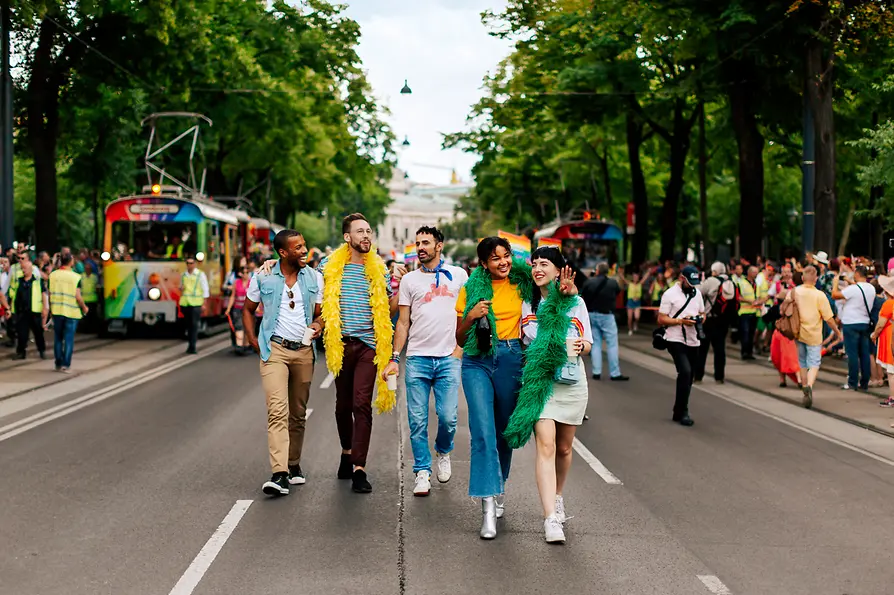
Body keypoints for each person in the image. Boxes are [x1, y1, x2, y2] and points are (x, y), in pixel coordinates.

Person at [455, 237, 576, 540]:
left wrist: (566, 292)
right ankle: (486, 508)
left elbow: (550, 296)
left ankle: (498, 489)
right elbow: (459, 338)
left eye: (506, 256)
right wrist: (471, 316)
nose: (503, 262)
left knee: (505, 433)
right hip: (477, 361)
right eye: (495, 258)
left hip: (512, 359)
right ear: (484, 263)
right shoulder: (471, 289)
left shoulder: (523, 283)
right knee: (482, 433)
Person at [504, 247, 591, 544]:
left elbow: (588, 342)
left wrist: (581, 345)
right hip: (540, 383)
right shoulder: (526, 303)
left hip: (571, 382)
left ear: (558, 270)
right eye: (535, 264)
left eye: (545, 264)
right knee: (546, 445)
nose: (538, 268)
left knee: (565, 450)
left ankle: (558, 495)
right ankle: (550, 517)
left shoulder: (575, 302)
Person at [318, 213, 403, 494]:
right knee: (342, 406)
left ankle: (359, 468)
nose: (366, 236)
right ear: (347, 237)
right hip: (340, 345)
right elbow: (306, 281)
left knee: (361, 403)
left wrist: (397, 291)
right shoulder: (328, 266)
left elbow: (388, 312)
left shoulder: (379, 269)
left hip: (368, 345)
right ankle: (346, 450)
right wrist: (269, 267)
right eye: (360, 232)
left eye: (369, 231)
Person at [382, 226, 468, 497]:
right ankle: (422, 471)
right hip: (418, 358)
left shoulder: (459, 275)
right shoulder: (410, 281)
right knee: (417, 420)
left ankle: (443, 451)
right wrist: (395, 357)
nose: (420, 247)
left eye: (426, 242)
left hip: (448, 359)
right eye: (417, 242)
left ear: (439, 246)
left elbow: (467, 314)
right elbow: (403, 322)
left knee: (448, 417)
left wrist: (460, 349)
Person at [244, 230, 323, 497]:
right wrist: (254, 341)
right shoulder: (263, 276)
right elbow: (247, 308)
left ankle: (293, 464)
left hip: (303, 352)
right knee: (277, 411)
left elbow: (320, 315)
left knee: (297, 414)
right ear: (283, 252)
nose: (304, 251)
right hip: (274, 350)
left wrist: (317, 325)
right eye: (298, 247)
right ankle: (279, 474)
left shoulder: (314, 277)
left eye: (304, 246)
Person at [657, 266, 705, 426]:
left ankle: (679, 409)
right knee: (685, 371)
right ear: (682, 279)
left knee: (689, 376)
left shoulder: (697, 294)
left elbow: (703, 313)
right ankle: (683, 411)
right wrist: (681, 321)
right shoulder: (669, 295)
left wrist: (698, 319)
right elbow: (661, 319)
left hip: (693, 338)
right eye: (690, 283)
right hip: (674, 338)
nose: (692, 286)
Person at [787, 266, 842, 408]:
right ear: (816, 279)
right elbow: (829, 318)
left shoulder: (795, 291)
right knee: (814, 362)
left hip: (798, 332)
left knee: (802, 362)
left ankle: (803, 384)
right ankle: (809, 386)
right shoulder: (820, 295)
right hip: (814, 334)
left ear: (803, 277)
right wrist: (837, 332)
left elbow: (785, 307)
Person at [581, 263, 629, 382]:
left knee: (596, 342)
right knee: (612, 344)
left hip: (592, 314)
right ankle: (615, 373)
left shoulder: (589, 282)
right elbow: (617, 292)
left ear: (597, 271)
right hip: (607, 315)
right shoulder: (613, 283)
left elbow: (584, 295)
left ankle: (596, 371)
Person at [831, 264, 875, 391]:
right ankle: (865, 382)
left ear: (857, 274)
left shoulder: (853, 289)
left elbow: (835, 295)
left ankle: (852, 382)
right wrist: (849, 281)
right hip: (865, 323)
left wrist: (835, 283)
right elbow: (858, 289)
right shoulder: (871, 288)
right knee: (864, 353)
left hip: (851, 323)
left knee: (852, 354)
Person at [694, 262, 737, 384]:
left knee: (702, 348)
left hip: (709, 319)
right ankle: (719, 376)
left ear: (714, 271)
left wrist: (700, 281)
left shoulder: (711, 281)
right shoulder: (731, 282)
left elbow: (697, 292)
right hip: (723, 320)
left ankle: (698, 375)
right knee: (719, 349)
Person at [48, 253, 89, 373]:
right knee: (69, 339)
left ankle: (58, 363)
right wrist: (84, 307)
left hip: (57, 311)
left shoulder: (53, 275)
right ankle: (66, 364)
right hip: (71, 312)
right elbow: (78, 296)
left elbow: (50, 294)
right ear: (71, 262)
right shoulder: (76, 277)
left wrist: (50, 310)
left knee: (58, 338)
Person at [3, 257, 48, 360]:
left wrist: (45, 308)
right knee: (22, 333)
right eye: (22, 269)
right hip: (21, 312)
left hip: (35, 311)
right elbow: (13, 294)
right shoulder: (18, 281)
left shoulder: (37, 281)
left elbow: (43, 294)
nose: (23, 270)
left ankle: (42, 350)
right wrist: (9, 308)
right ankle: (21, 352)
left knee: (38, 333)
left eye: (25, 269)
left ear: (31, 269)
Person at [871, 275, 894, 407]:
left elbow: (881, 324)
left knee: (891, 371)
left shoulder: (888, 304)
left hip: (890, 339)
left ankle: (892, 397)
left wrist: (874, 335)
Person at [179, 257, 209, 354]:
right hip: (185, 303)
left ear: (194, 264)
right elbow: (181, 287)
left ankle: (193, 346)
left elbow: (205, 289)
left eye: (191, 263)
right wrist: (181, 288)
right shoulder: (183, 275)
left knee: (194, 325)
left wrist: (204, 303)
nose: (189, 265)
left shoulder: (200, 274)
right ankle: (190, 345)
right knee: (188, 325)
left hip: (196, 303)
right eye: (188, 263)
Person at [736, 266, 766, 360]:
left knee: (751, 333)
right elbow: (738, 297)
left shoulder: (756, 284)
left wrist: (760, 301)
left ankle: (749, 352)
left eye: (757, 272)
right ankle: (744, 352)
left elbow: (761, 296)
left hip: (754, 312)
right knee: (745, 332)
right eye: (754, 272)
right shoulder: (741, 283)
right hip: (744, 312)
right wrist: (749, 301)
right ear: (749, 273)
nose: (756, 274)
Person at [225, 267, 251, 355]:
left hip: (249, 309)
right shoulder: (236, 283)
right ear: (240, 274)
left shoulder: (252, 283)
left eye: (247, 272)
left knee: (248, 328)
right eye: (243, 273)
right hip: (238, 308)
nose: (245, 274)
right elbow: (233, 296)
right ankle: (239, 346)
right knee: (239, 326)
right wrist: (228, 309)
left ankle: (247, 345)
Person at [79, 261, 100, 333]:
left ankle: (92, 329)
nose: (87, 269)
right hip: (84, 299)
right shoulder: (81, 276)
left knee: (92, 316)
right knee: (85, 316)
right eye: (86, 268)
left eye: (89, 268)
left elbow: (97, 286)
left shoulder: (94, 277)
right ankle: (85, 330)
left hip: (93, 299)